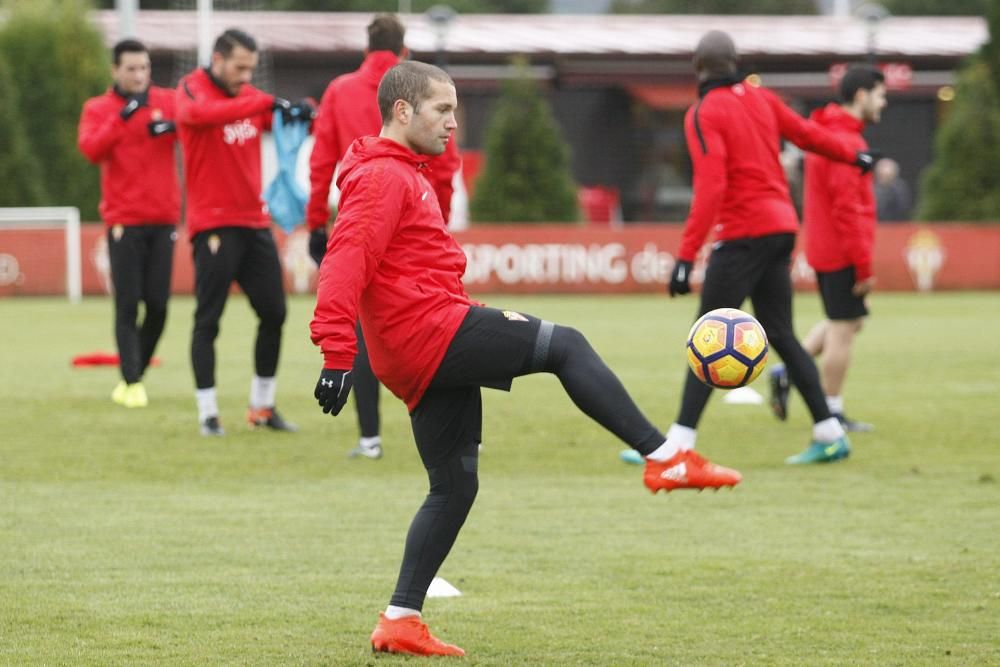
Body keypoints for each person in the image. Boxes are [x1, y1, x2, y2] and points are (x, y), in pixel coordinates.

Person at [310, 60, 735, 658]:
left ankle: (399, 619)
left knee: (453, 487)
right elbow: (344, 259)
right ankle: (665, 456)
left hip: (420, 343)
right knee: (565, 345)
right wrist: (335, 352)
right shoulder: (383, 177)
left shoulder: (402, 171)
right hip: (426, 333)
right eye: (442, 110)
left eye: (455, 111)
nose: (454, 123)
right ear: (402, 111)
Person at [663, 31, 880, 466]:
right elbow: (806, 134)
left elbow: (711, 186)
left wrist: (686, 256)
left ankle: (678, 444)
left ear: (698, 68)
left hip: (743, 231)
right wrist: (852, 156)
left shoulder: (704, 112)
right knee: (780, 332)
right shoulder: (762, 99)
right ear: (736, 61)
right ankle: (830, 431)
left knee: (708, 332)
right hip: (781, 226)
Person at [307, 13, 461, 460]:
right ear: (404, 49)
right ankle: (459, 427)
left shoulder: (339, 90)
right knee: (444, 320)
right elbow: (448, 166)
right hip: (417, 212)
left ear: (365, 46)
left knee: (363, 322)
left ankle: (370, 438)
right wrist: (439, 224)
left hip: (360, 209)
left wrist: (317, 219)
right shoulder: (422, 90)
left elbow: (320, 163)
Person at [176, 28, 302, 436]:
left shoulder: (248, 99)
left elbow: (271, 116)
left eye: (251, 68)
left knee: (275, 313)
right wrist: (262, 102)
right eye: (239, 67)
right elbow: (198, 116)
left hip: (254, 221)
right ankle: (208, 413)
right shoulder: (191, 89)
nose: (246, 76)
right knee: (208, 320)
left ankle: (261, 407)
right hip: (212, 223)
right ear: (217, 59)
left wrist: (301, 110)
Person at [770, 65, 886, 434]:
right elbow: (847, 209)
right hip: (840, 250)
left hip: (827, 246)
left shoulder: (827, 133)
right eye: (881, 95)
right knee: (843, 329)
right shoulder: (846, 143)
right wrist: (863, 265)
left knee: (849, 321)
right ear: (862, 95)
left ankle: (788, 371)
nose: (884, 103)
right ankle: (831, 410)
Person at [78, 38, 180, 409]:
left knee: (158, 305)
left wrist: (172, 125)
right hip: (124, 221)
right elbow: (90, 149)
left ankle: (134, 374)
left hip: (164, 218)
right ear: (115, 71)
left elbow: (194, 126)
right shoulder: (99, 108)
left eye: (144, 68)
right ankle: (132, 381)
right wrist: (122, 118)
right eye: (132, 69)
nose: (139, 76)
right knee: (128, 303)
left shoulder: (167, 101)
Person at [874, 158, 912, 222]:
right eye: (882, 175)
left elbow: (903, 207)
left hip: (895, 224)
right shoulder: (871, 187)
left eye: (887, 176)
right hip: (877, 223)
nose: (884, 178)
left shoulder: (900, 188)